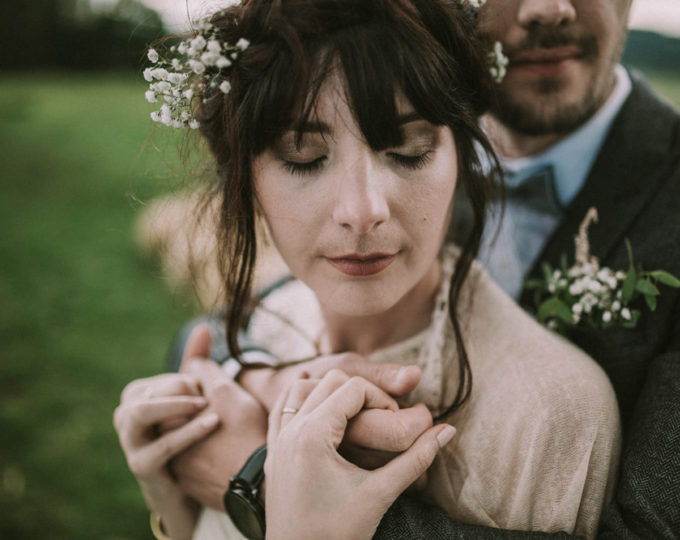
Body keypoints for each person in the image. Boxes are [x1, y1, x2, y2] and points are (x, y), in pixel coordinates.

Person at [156, 0, 680, 537]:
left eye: (408, 149)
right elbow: (245, 321)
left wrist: (269, 482)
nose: (547, 9)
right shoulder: (410, 128)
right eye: (304, 156)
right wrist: (252, 383)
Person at [114, 0, 622, 538]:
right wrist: (169, 501)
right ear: (246, 179)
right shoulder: (262, 326)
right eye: (303, 156)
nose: (362, 212)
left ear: (461, 156)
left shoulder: (550, 419)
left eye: (408, 150)